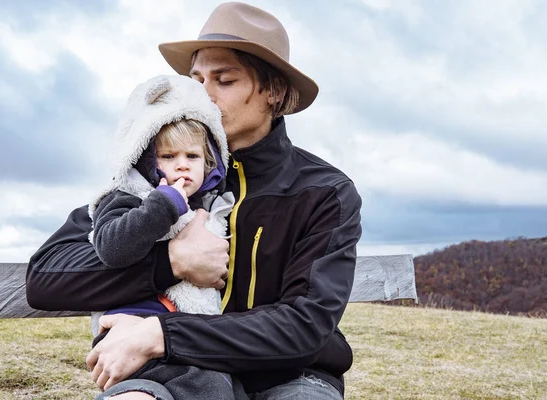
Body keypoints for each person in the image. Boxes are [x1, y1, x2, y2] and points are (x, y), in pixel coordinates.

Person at [26, 2, 362, 400]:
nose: (201, 95)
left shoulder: (324, 191)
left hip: (292, 377)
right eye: (196, 79)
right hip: (177, 375)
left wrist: (161, 334)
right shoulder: (153, 172)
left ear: (274, 90)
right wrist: (171, 261)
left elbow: (302, 327)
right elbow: (47, 278)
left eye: (224, 80)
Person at [86, 74, 237, 399]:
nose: (182, 166)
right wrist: (162, 207)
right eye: (168, 157)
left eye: (192, 157)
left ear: (210, 160)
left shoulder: (215, 207)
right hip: (129, 325)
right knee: (207, 385)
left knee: (219, 383)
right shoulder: (128, 197)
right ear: (145, 159)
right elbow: (112, 248)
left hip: (183, 332)